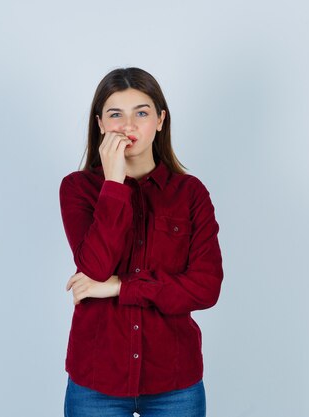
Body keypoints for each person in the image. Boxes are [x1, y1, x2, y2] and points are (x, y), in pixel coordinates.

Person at [59, 67, 223, 417]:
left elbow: (206, 288)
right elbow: (95, 267)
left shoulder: (190, 194)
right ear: (100, 123)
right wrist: (114, 184)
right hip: (96, 382)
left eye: (142, 113)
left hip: (175, 383)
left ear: (161, 120)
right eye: (116, 114)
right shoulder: (77, 189)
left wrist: (122, 287)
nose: (128, 126)